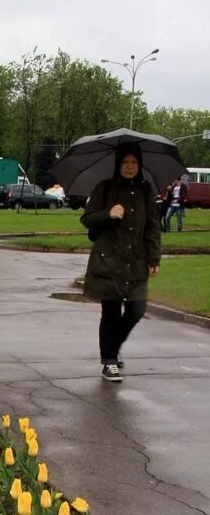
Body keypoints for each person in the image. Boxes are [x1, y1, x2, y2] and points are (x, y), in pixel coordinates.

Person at [80, 142, 161, 382]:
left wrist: (154, 256)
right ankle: (109, 361)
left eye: (134, 162)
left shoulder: (146, 191)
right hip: (109, 260)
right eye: (125, 162)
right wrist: (108, 213)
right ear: (118, 164)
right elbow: (87, 219)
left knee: (138, 309)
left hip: (136, 260)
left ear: (140, 164)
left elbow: (152, 226)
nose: (129, 166)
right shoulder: (105, 188)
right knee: (111, 311)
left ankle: (112, 347)